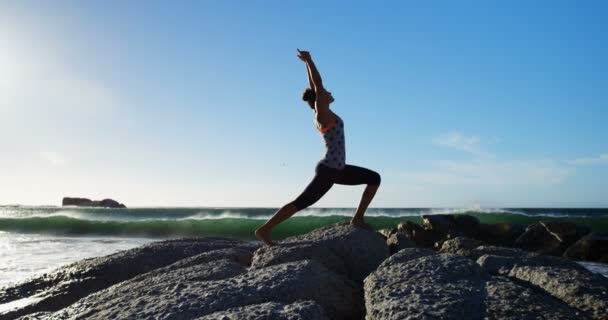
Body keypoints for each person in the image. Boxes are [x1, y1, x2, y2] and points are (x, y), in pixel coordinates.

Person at [254, 49, 381, 246]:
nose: (329, 93)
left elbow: (315, 86)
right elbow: (318, 85)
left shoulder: (325, 112)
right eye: (325, 93)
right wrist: (310, 61)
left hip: (338, 169)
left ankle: (357, 218)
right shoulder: (321, 115)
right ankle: (264, 230)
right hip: (328, 170)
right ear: (319, 100)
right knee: (302, 202)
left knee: (374, 178)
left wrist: (305, 63)